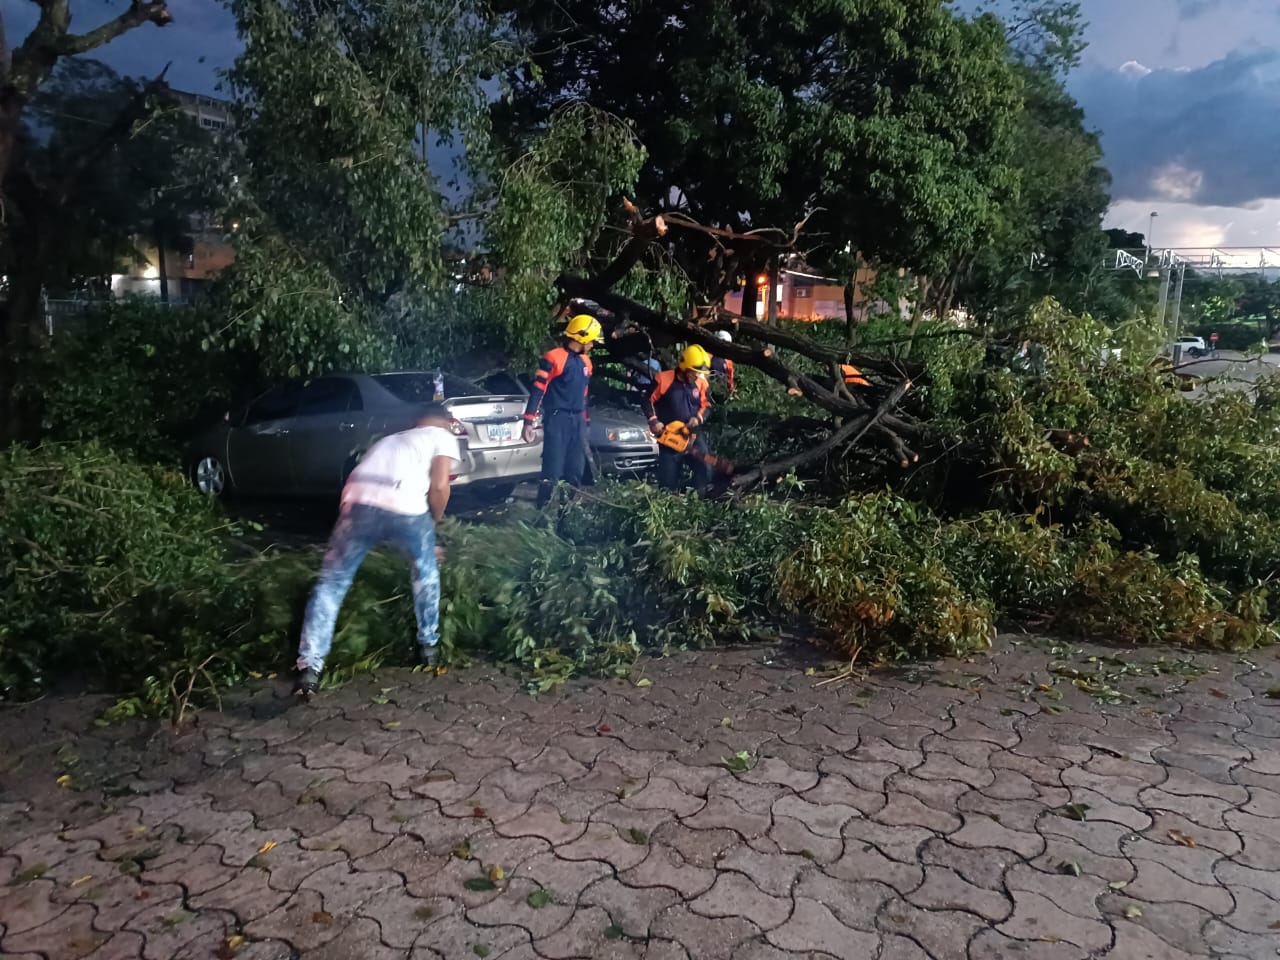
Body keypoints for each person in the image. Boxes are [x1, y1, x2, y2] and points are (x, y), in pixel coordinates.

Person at [295, 403, 461, 698]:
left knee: (332, 583)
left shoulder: (389, 440)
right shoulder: (442, 435)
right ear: (445, 422)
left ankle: (309, 666)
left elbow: (367, 493)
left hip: (354, 502)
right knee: (425, 569)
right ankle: (429, 646)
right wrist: (429, 529)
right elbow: (438, 488)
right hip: (405, 506)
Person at [523, 313, 603, 506]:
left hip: (578, 421)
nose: (593, 345)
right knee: (553, 470)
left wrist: (586, 422)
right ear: (582, 337)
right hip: (557, 419)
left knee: (575, 471)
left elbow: (583, 394)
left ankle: (566, 515)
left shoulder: (586, 363)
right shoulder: (553, 358)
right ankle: (542, 516)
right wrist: (529, 421)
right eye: (592, 341)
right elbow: (538, 390)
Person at [644, 344, 715, 493]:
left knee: (705, 467)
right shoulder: (663, 379)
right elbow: (647, 400)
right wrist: (653, 420)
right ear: (685, 366)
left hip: (693, 434)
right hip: (670, 436)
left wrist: (698, 418)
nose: (696, 376)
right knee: (668, 478)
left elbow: (707, 405)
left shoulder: (701, 383)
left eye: (699, 373)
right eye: (694, 372)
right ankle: (668, 499)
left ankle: (701, 497)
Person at [710, 330, 737, 396]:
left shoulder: (728, 361)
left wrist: (732, 390)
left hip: (721, 392)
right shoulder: (708, 356)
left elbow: (730, 379)